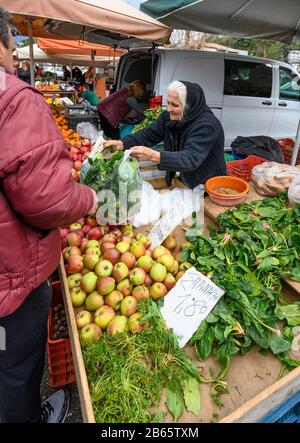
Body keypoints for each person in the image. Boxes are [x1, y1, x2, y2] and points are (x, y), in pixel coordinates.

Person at [0, 6, 98, 423]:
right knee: (16, 370)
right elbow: (47, 199)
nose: (14, 55)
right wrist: (89, 200)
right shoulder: (13, 98)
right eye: (13, 45)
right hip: (10, 275)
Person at [103, 80, 226, 189]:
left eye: (175, 105)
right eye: (168, 103)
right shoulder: (170, 116)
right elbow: (149, 133)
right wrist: (122, 143)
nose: (168, 109)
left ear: (189, 107)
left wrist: (153, 155)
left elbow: (191, 158)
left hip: (208, 186)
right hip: (185, 181)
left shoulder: (207, 125)